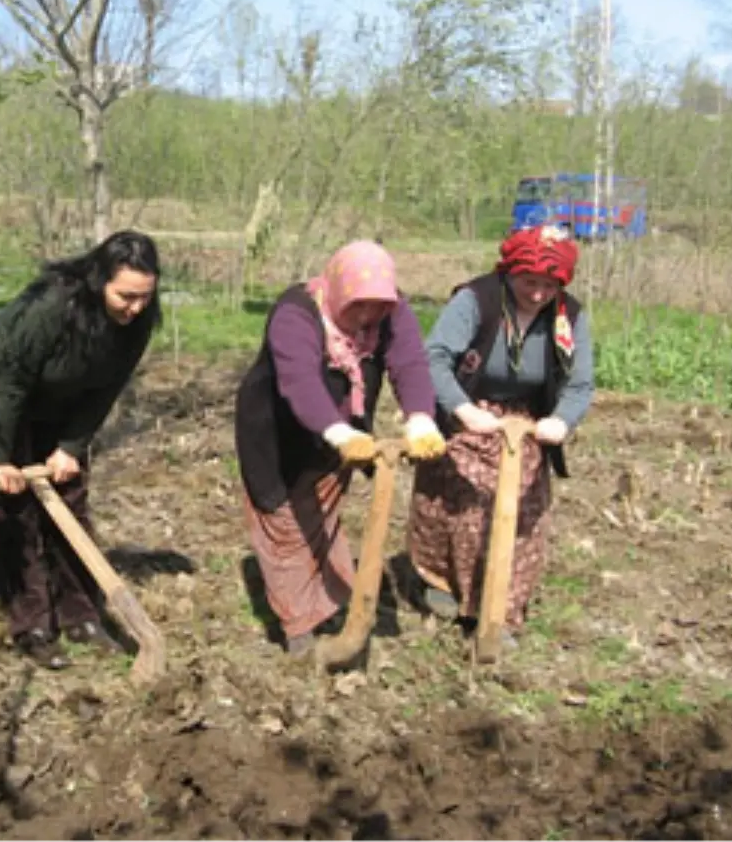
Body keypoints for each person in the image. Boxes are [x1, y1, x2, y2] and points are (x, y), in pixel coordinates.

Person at [234, 239, 447, 657]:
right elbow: (299, 382)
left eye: (377, 307)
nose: (367, 316)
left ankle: (324, 606)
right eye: (357, 306)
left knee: (322, 514)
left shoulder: (392, 310)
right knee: (284, 525)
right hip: (275, 433)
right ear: (336, 289)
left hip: (340, 435)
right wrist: (338, 432)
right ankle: (299, 628)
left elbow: (409, 363)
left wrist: (420, 416)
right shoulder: (295, 314)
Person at [0, 230, 162, 670]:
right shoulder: (53, 306)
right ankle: (33, 625)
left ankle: (81, 616)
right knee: (15, 513)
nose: (136, 307)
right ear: (99, 280)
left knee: (71, 505)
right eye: (126, 296)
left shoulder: (140, 319)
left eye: (145, 297)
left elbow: (109, 386)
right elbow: (9, 383)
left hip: (62, 401)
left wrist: (72, 446)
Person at [405, 223, 594, 646]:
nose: (538, 293)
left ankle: (499, 613)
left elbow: (581, 385)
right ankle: (444, 583)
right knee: (462, 504)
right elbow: (433, 359)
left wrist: (561, 422)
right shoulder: (476, 300)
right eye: (529, 282)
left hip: (526, 423)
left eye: (549, 285)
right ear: (510, 271)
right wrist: (465, 411)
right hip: (469, 409)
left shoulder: (570, 316)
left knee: (521, 515)